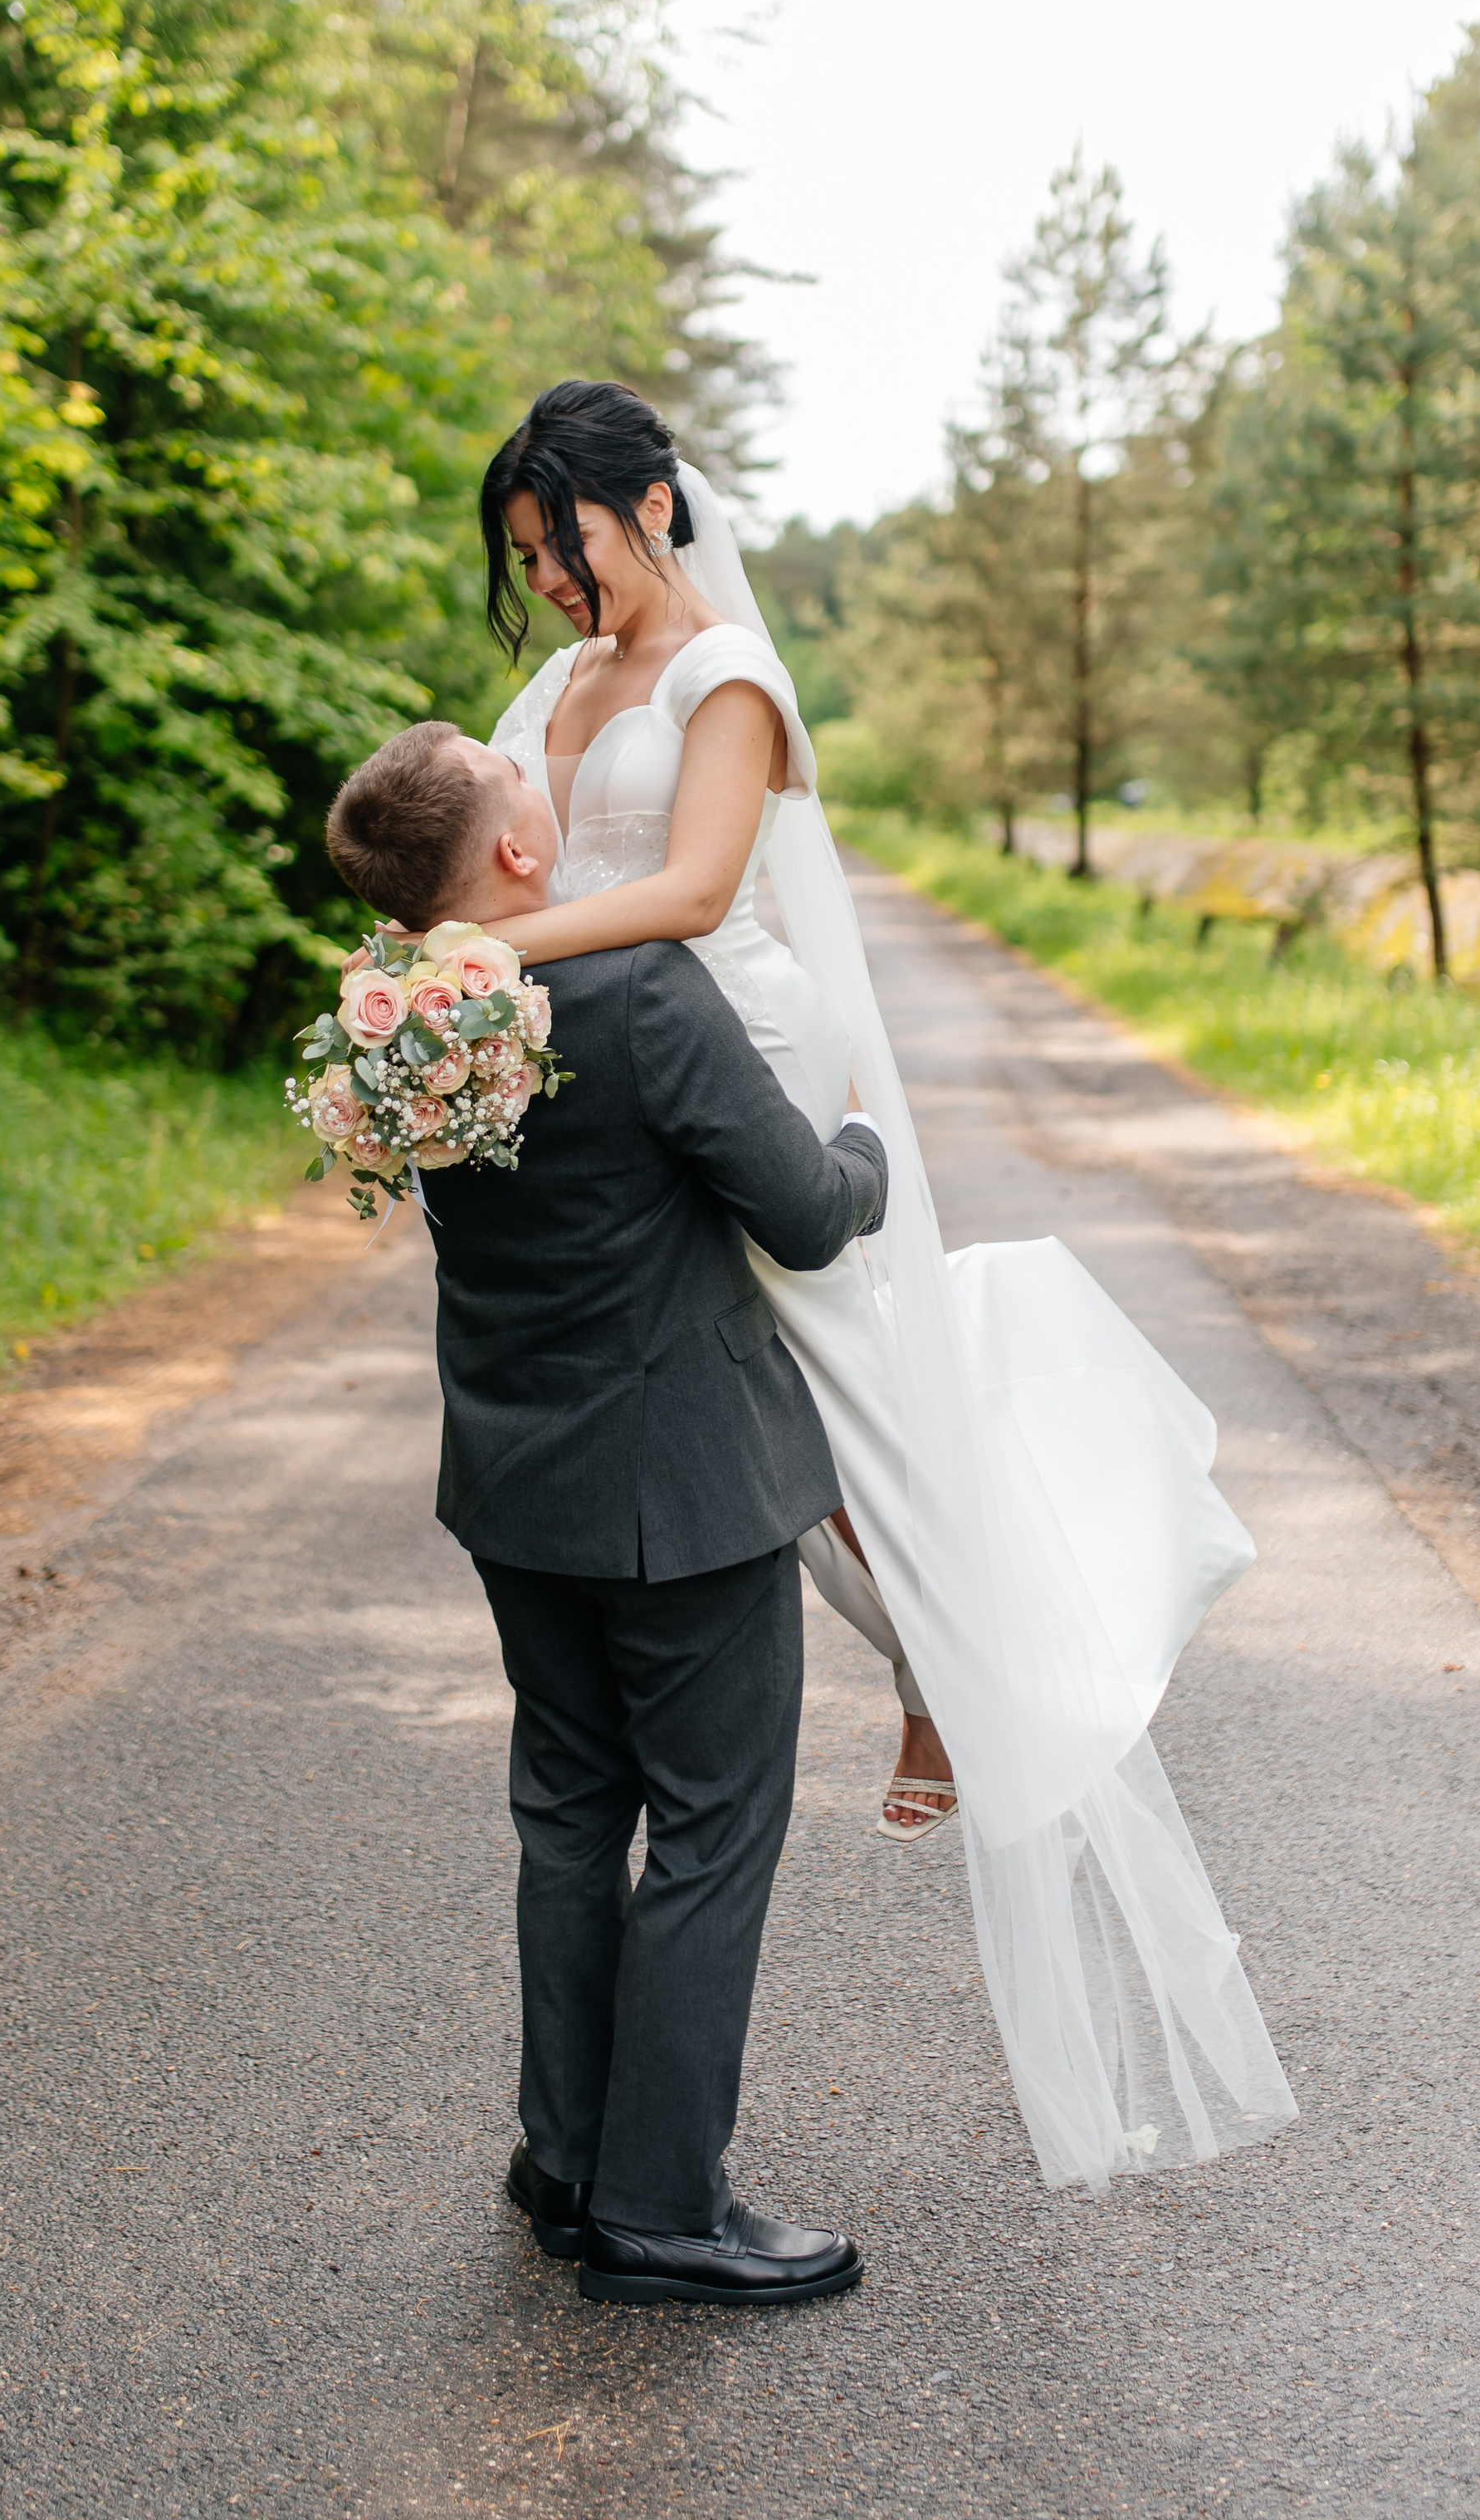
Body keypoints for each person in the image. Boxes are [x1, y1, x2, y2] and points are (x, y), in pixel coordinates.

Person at [470, 378, 1297, 2199]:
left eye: (566, 541)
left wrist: (484, 952)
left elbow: (688, 887)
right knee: (741, 1402)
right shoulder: (552, 692)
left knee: (841, 1373)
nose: (546, 581)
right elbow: (498, 840)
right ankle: (922, 1640)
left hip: (737, 1051)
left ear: (655, 506)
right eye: (522, 558)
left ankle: (956, 1646)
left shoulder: (725, 679)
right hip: (607, 1082)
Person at [325, 717, 889, 2306]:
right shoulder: (635, 992)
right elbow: (806, 1212)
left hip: (517, 1479)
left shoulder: (395, 1032)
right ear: (515, 853)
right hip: (685, 1489)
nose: (540, 780)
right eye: (519, 780)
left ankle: (564, 2159)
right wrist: (866, 1140)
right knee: (715, 1822)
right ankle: (658, 2208)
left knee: (572, 1813)